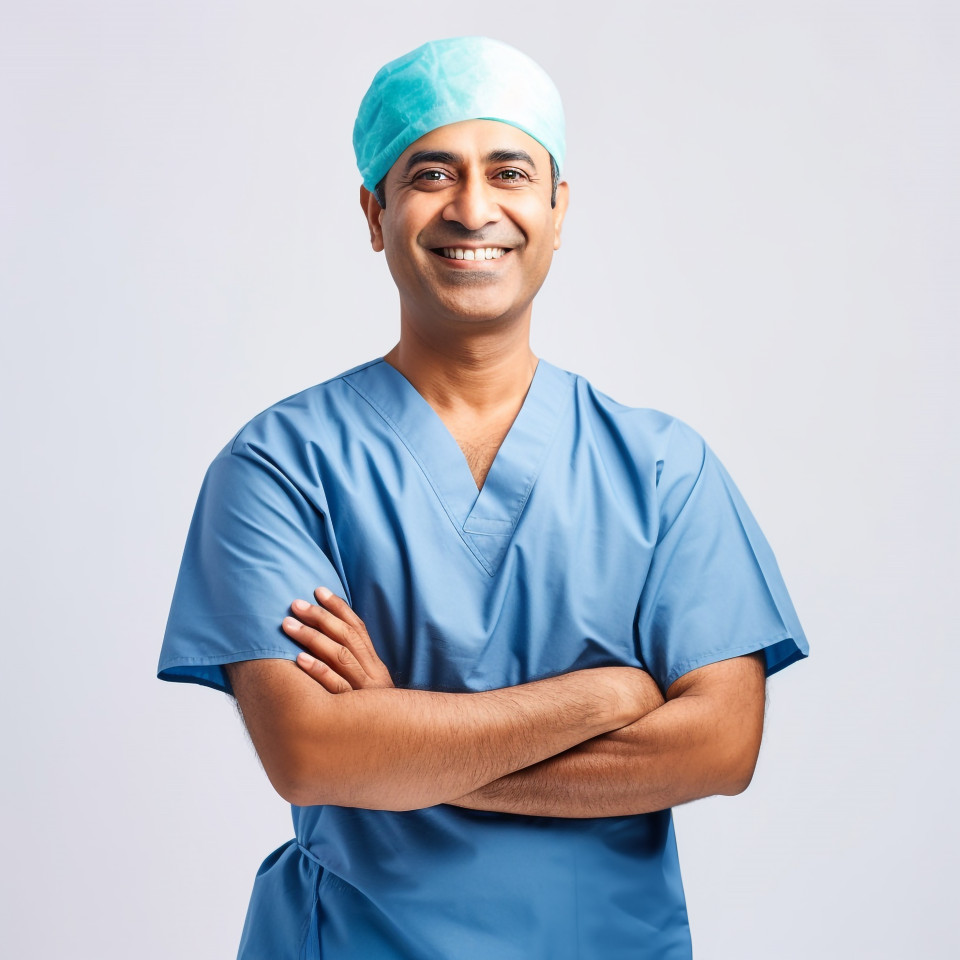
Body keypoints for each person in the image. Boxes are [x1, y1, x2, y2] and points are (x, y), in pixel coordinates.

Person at [158, 36, 808, 960]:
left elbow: (721, 746)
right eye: (431, 172)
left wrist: (403, 746)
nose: (473, 208)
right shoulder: (280, 467)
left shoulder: (664, 471)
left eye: (509, 170)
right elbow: (310, 752)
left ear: (555, 207)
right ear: (374, 211)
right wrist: (605, 696)